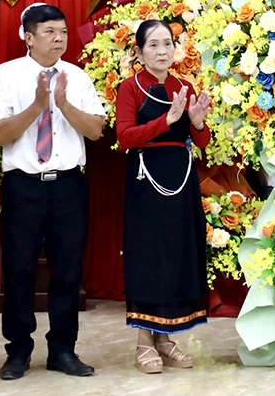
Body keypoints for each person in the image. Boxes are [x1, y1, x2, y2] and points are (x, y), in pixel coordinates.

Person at [0, 4, 106, 380]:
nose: (59, 39)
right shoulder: (7, 74)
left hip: (68, 185)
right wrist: (37, 105)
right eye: (50, 32)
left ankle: (63, 351)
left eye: (64, 32)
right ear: (29, 36)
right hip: (24, 186)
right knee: (18, 270)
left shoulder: (77, 76)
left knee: (68, 272)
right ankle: (18, 352)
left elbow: (95, 131)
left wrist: (63, 103)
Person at [115, 20, 212, 374]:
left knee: (177, 254)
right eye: (153, 45)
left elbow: (201, 142)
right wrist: (166, 120)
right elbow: (124, 137)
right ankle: (144, 342)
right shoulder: (130, 88)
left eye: (167, 44)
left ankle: (168, 339)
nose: (162, 51)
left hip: (180, 178)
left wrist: (197, 123)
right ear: (139, 53)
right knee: (148, 256)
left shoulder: (184, 85)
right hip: (145, 180)